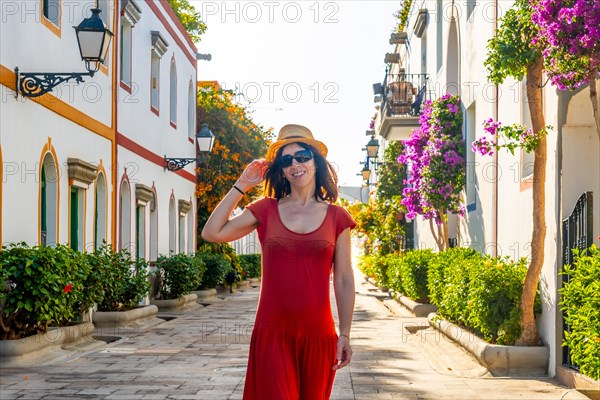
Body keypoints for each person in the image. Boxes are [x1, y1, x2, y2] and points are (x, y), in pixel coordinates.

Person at [202, 124, 357, 399]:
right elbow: (212, 232)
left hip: (319, 335)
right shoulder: (266, 209)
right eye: (286, 160)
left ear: (315, 161)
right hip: (272, 335)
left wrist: (344, 334)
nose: (295, 164)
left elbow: (344, 279)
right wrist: (242, 184)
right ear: (281, 170)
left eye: (302, 157)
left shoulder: (337, 217)